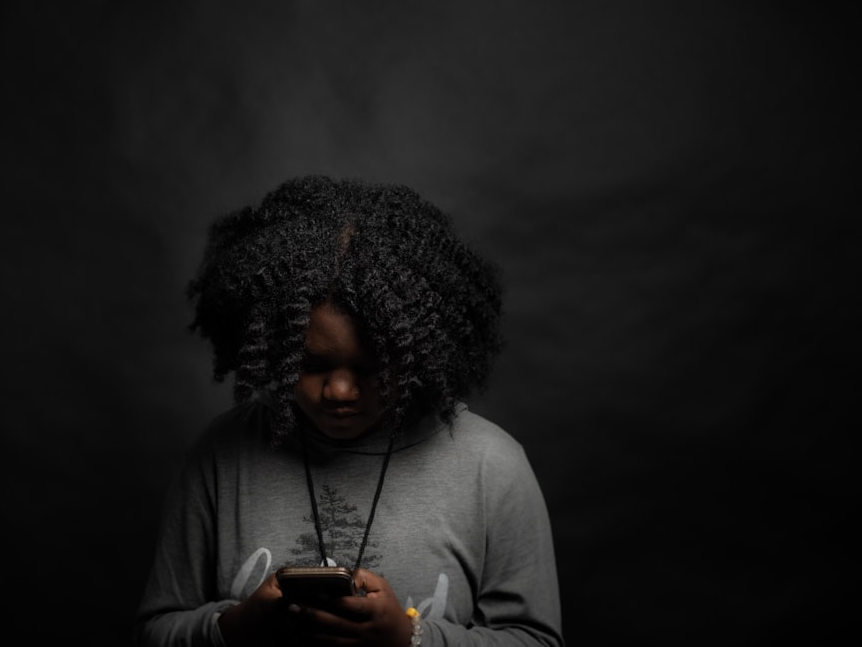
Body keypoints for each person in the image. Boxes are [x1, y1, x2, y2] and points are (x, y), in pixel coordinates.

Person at [135, 175, 563, 646]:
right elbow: (155, 631)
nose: (339, 391)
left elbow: (537, 641)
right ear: (271, 347)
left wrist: (411, 638)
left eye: (371, 367)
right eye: (311, 363)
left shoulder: (492, 466)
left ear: (414, 352)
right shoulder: (220, 456)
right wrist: (234, 628)